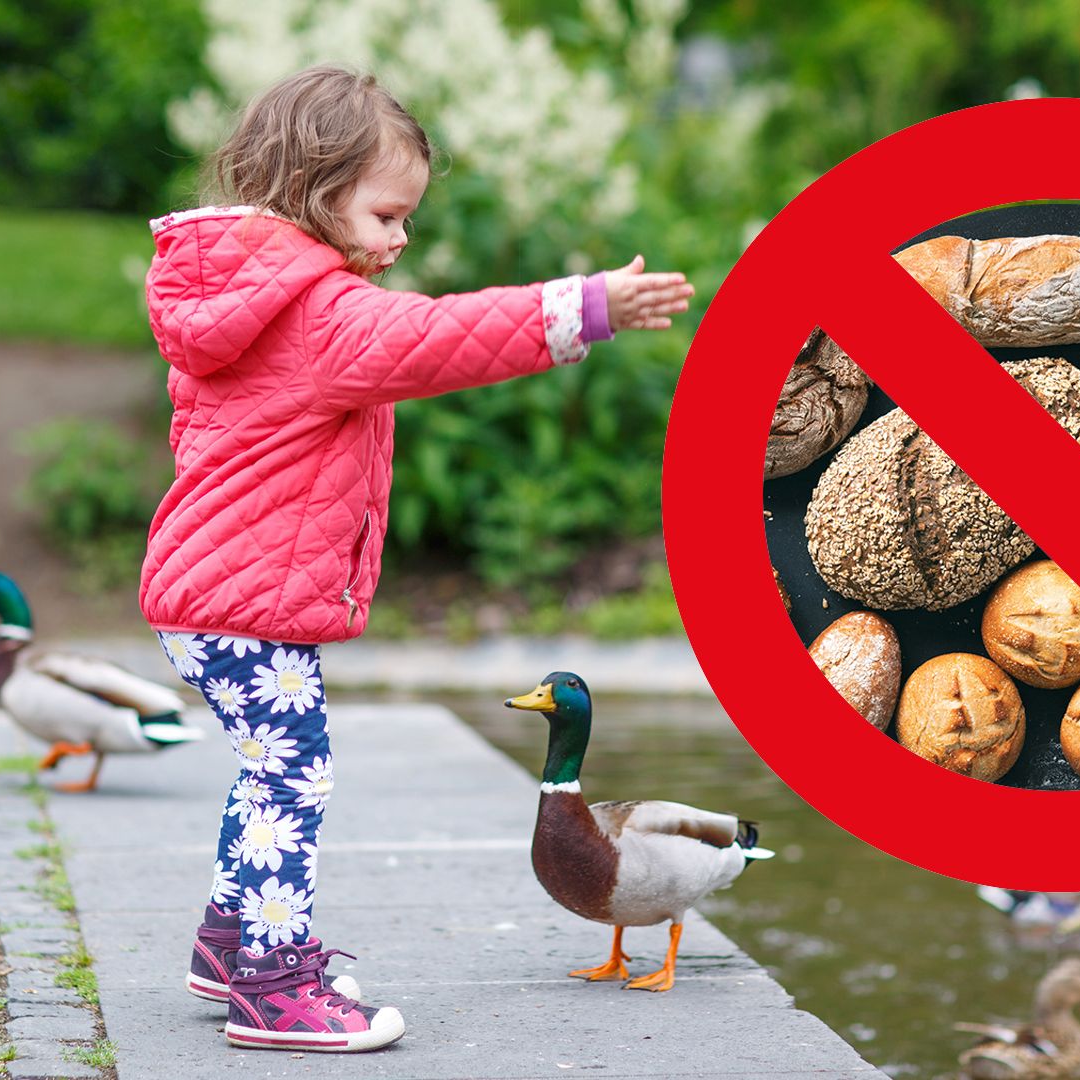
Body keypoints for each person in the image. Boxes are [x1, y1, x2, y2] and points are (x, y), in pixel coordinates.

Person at [139, 64, 691, 1054]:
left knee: (270, 771)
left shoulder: (240, 291)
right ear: (317, 190)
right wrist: (587, 307)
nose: (399, 238)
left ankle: (233, 943)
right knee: (291, 778)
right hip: (242, 600)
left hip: (210, 591)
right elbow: (441, 337)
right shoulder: (320, 315)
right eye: (386, 213)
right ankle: (267, 989)